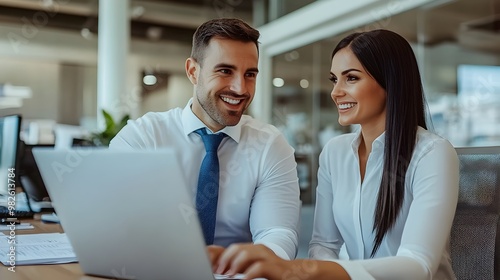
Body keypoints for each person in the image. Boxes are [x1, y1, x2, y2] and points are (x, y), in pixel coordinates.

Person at [210, 29, 459, 280]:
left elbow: (418, 265)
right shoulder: (335, 152)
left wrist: (299, 270)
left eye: (351, 78)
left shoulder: (432, 154)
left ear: (390, 82)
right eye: (334, 79)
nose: (336, 92)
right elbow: (323, 246)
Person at [109, 18, 301, 261]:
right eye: (225, 71)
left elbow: (278, 231)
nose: (240, 88)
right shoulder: (142, 137)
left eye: (250, 74)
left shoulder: (270, 145)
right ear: (193, 71)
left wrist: (262, 262)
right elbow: (116, 223)